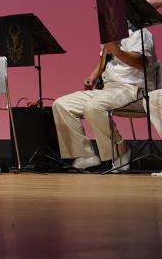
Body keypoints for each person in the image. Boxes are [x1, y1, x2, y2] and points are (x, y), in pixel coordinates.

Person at [54, 22, 154, 171]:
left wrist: (117, 50)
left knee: (93, 106)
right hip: (108, 89)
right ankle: (85, 155)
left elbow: (141, 62)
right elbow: (106, 59)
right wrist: (93, 76)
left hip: (133, 89)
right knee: (61, 104)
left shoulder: (140, 33)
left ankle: (120, 152)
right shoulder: (111, 33)